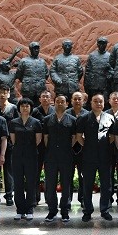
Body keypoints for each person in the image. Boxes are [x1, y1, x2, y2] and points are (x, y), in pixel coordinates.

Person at [75, 93, 115, 222]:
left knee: (106, 184)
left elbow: (113, 136)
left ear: (104, 103)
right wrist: (88, 146)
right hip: (88, 156)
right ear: (91, 103)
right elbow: (79, 136)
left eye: (100, 101)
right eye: (95, 101)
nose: (98, 103)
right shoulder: (84, 118)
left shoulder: (110, 117)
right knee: (87, 184)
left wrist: (103, 146)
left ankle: (105, 210)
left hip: (105, 156)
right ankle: (87, 211)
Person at [42, 94, 77, 222]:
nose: (60, 103)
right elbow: (45, 137)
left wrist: (67, 149)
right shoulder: (47, 119)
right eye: (57, 101)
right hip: (51, 156)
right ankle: (52, 211)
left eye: (63, 101)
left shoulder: (72, 120)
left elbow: (74, 138)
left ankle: (65, 211)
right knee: (50, 184)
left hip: (66, 156)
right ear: (54, 103)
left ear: (67, 104)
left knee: (66, 184)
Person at [9, 98, 42, 221]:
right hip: (17, 155)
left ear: (31, 108)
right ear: (19, 108)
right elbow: (13, 140)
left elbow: (38, 140)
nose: (25, 108)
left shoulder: (36, 122)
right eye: (22, 106)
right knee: (18, 182)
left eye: (27, 106)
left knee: (31, 182)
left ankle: (29, 209)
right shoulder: (13, 122)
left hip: (31, 155)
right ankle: (20, 209)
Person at [0, 84, 19, 206]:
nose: (2, 95)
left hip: (9, 143)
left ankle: (9, 195)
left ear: (9, 94)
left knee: (9, 170)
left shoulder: (13, 108)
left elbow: (18, 124)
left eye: (5, 92)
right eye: (0, 92)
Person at [66, 91, 88, 208]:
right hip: (68, 149)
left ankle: (83, 199)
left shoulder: (88, 114)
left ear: (84, 101)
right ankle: (67, 200)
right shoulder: (66, 114)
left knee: (83, 176)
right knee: (67, 176)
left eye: (80, 99)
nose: (77, 101)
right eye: (75, 99)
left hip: (83, 150)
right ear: (71, 101)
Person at [31, 90, 54, 205]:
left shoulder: (54, 111)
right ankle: (35, 198)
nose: (45, 99)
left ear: (51, 99)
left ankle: (49, 198)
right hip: (37, 146)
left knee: (50, 173)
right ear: (40, 99)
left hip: (51, 146)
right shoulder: (34, 111)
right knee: (36, 172)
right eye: (43, 97)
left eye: (47, 97)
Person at [84, 37, 112, 107]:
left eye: (103, 43)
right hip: (93, 84)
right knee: (92, 103)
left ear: (106, 44)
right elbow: (88, 71)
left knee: (105, 103)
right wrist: (86, 84)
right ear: (97, 44)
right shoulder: (92, 56)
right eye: (100, 43)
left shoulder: (109, 56)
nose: (101, 45)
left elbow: (112, 69)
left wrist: (110, 75)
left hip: (105, 85)